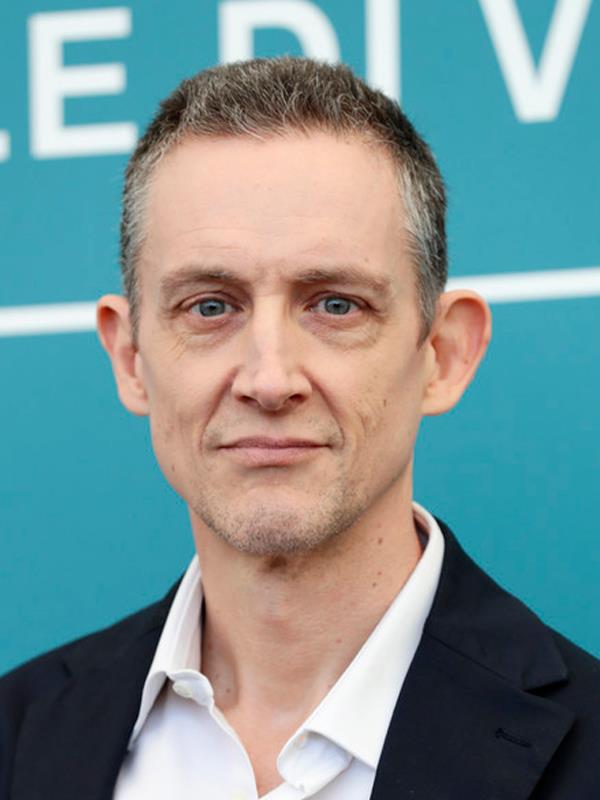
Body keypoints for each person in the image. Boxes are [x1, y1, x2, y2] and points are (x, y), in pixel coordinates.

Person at [1, 57, 598, 800]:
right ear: (131, 359)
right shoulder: (17, 739)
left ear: (442, 355)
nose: (270, 379)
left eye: (336, 305)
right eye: (210, 307)